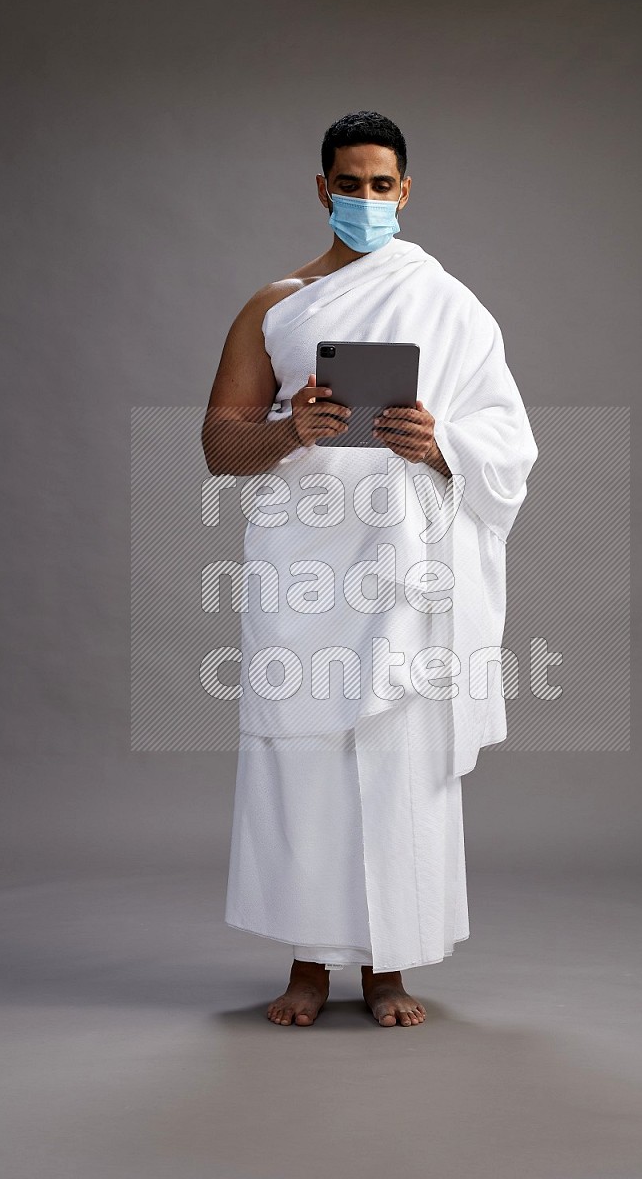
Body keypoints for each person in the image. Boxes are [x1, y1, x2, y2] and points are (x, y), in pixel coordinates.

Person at [201, 110, 538, 1027]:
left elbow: (509, 440)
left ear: (405, 190)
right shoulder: (274, 306)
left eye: (379, 184)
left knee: (398, 753)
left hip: (407, 574)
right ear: (321, 190)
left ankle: (388, 968)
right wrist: (287, 431)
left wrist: (440, 445)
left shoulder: (451, 303)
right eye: (346, 184)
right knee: (302, 758)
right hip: (305, 570)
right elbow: (220, 446)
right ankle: (308, 966)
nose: (363, 200)